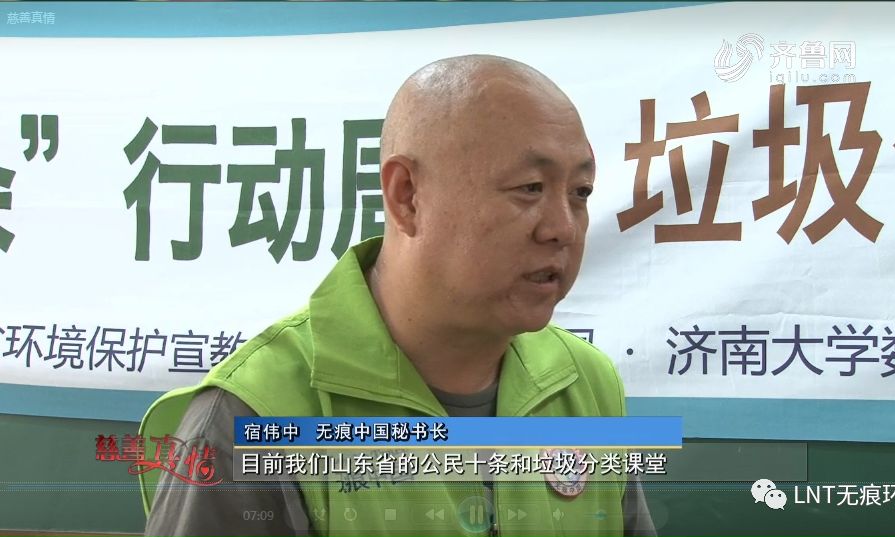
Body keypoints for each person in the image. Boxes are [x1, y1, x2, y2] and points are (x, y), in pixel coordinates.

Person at [140, 54, 656, 536]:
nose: (563, 228)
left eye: (580, 193)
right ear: (406, 195)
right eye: (530, 188)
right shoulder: (255, 416)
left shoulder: (585, 385)